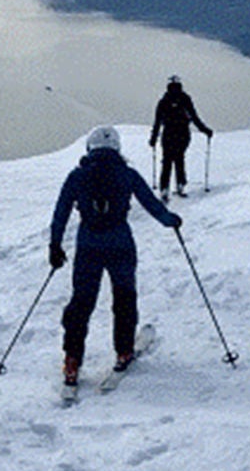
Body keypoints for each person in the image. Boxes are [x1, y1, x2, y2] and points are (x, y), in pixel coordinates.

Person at [48, 125, 181, 386]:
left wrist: (55, 245)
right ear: (116, 149)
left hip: (88, 245)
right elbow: (151, 204)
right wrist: (171, 220)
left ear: (90, 148)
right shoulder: (127, 174)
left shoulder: (77, 176)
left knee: (82, 303)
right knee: (124, 298)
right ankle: (123, 352)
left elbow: (61, 212)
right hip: (121, 244)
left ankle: (72, 361)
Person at [148, 74, 213, 198]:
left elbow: (157, 122)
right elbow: (194, 117)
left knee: (167, 160)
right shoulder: (185, 99)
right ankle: (180, 185)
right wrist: (205, 130)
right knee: (179, 158)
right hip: (183, 133)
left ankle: (164, 188)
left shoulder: (164, 101)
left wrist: (153, 138)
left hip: (168, 133)